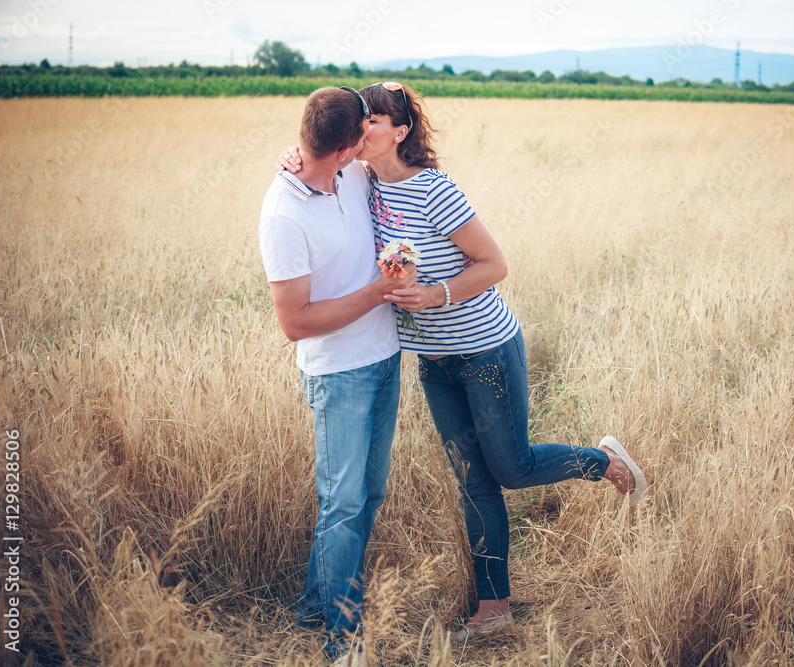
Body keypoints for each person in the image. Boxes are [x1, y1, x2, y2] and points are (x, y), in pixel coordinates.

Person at [276, 81, 647, 644]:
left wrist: (435, 295)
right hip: (433, 362)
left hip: (484, 352)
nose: (362, 130)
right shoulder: (360, 178)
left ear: (399, 133)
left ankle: (600, 462)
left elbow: (494, 264)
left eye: (373, 121)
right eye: (360, 123)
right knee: (474, 480)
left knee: (511, 467)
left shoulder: (434, 190)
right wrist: (292, 155)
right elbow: (318, 149)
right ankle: (493, 608)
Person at [259, 85, 415, 664]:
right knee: (343, 504)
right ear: (347, 148)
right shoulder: (283, 215)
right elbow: (295, 323)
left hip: (384, 358)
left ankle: (312, 605)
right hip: (338, 376)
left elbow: (383, 111)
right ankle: (341, 641)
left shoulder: (351, 173)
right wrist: (377, 293)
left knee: (365, 496)